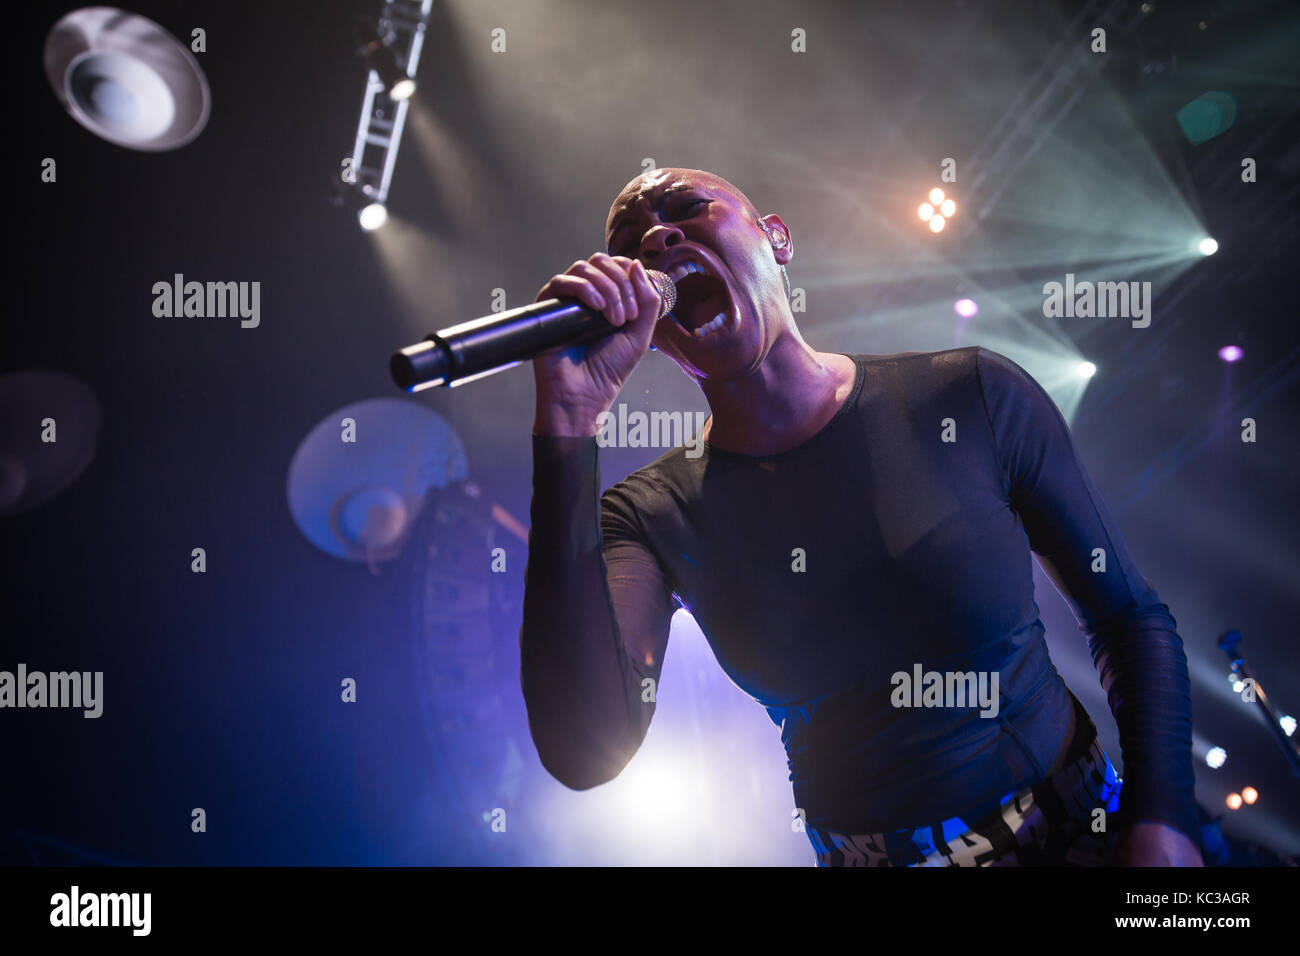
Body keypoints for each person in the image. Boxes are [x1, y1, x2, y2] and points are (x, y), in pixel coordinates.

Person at [518, 166, 1203, 866]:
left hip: (1082, 833)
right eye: (633, 244)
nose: (658, 237)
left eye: (688, 209)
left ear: (775, 239)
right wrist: (568, 424)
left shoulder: (968, 396)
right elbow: (583, 751)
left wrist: (1164, 819)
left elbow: (1128, 618)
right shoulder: (650, 516)